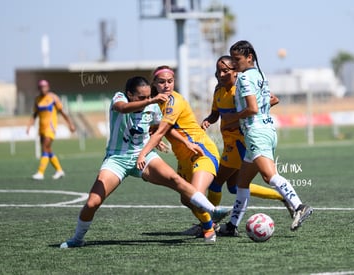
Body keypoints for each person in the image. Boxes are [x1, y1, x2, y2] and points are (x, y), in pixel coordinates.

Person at [60, 76, 229, 248]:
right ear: (129, 94)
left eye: (148, 97)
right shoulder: (120, 98)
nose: (147, 101)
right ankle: (77, 239)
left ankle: (212, 212)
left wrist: (184, 142)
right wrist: (153, 100)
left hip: (144, 156)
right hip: (117, 159)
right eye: (142, 97)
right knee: (92, 202)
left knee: (175, 180)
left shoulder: (153, 106)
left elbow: (161, 128)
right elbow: (123, 109)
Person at [182, 56, 293, 236]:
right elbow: (215, 114)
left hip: (240, 142)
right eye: (219, 71)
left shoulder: (239, 89)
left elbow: (264, 103)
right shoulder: (218, 91)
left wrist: (261, 107)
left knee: (216, 183)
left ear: (235, 72)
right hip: (228, 143)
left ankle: (209, 224)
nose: (222, 74)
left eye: (226, 70)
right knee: (235, 186)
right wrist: (207, 121)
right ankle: (282, 196)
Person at [219, 40, 313, 236]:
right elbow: (271, 99)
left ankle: (298, 206)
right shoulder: (260, 75)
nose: (234, 64)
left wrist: (231, 118)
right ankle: (232, 226)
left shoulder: (244, 79)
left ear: (249, 58)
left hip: (255, 133)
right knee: (241, 184)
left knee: (270, 176)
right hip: (268, 129)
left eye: (237, 60)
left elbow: (252, 108)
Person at [137, 66, 226, 241]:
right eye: (162, 82)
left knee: (195, 195)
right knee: (186, 199)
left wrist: (143, 153)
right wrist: (176, 140)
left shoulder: (174, 102)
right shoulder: (155, 103)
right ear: (154, 83)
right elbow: (165, 129)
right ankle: (209, 222)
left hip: (201, 151)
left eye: (170, 81)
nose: (166, 85)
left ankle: (209, 228)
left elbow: (162, 130)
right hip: (183, 157)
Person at [26, 80, 76, 180]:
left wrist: (70, 124)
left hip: (51, 128)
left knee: (45, 147)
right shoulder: (37, 100)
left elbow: (62, 112)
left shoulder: (53, 98)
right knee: (47, 150)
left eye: (44, 86)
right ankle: (59, 170)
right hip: (41, 128)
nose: (43, 88)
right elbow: (34, 115)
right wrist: (29, 126)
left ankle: (40, 173)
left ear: (48, 87)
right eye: (41, 87)